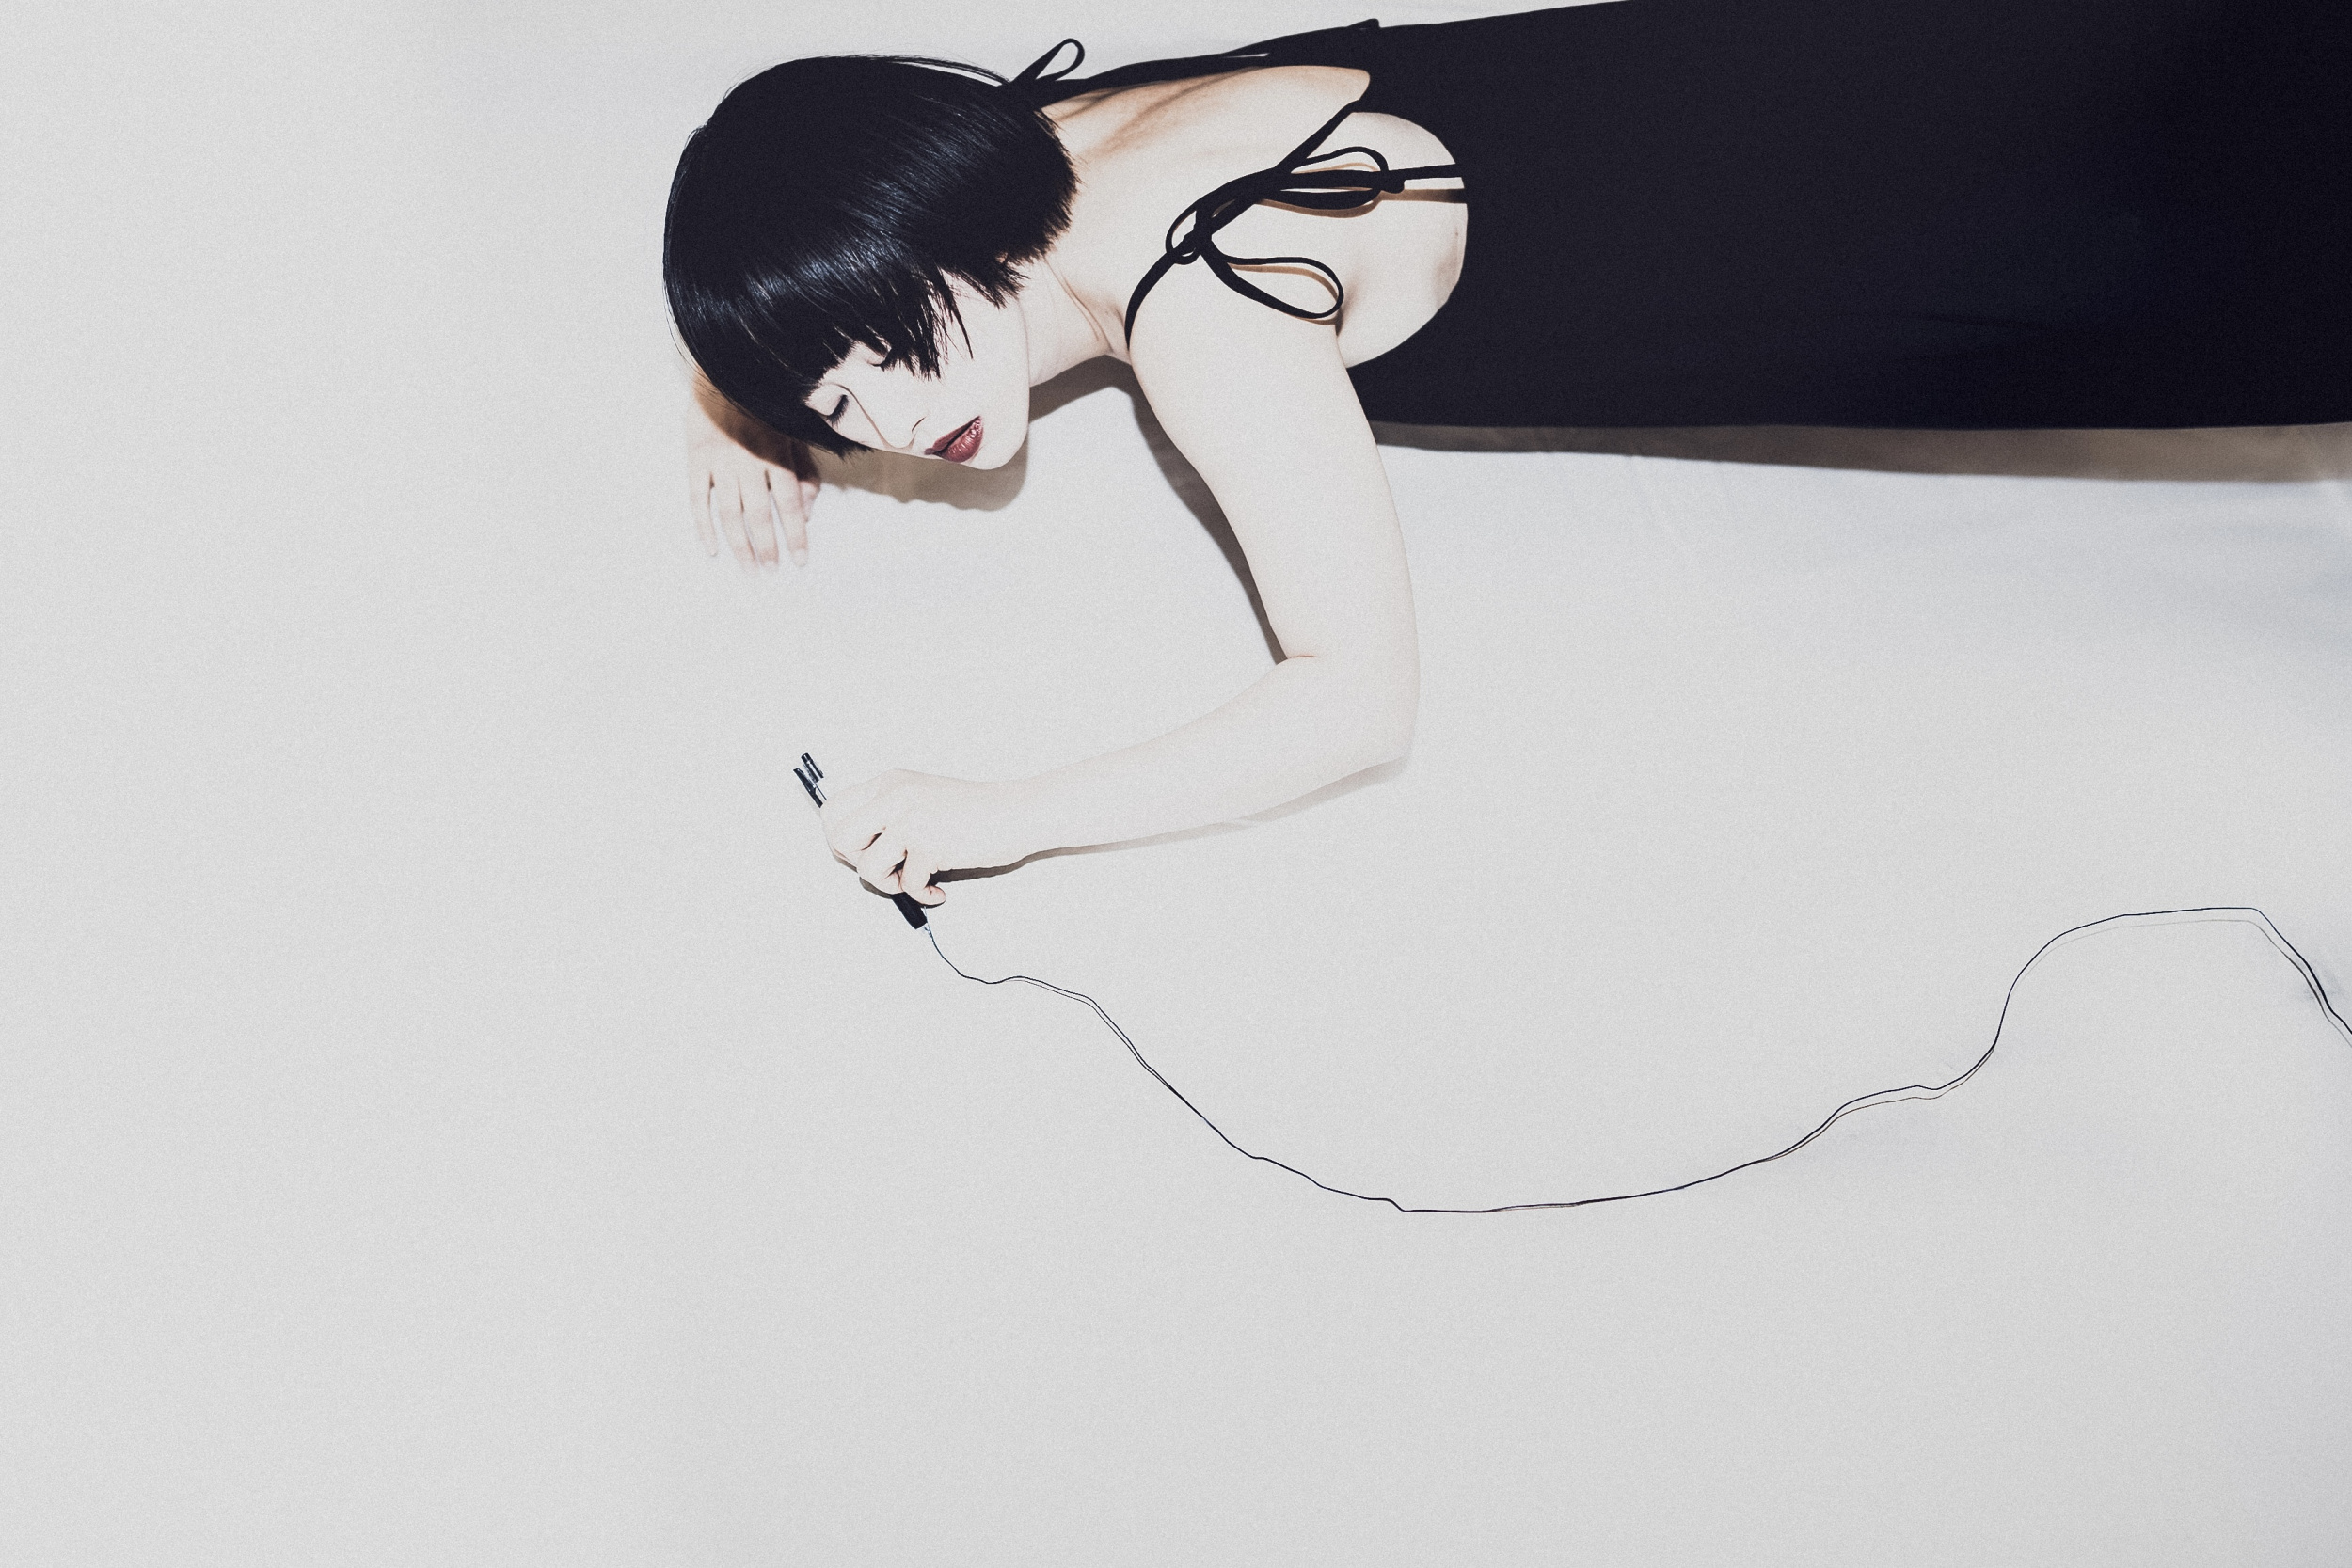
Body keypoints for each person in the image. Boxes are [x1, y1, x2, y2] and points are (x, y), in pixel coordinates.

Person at [664, 0, 2350, 910]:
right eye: (834, 409)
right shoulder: (1049, 135)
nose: (892, 431)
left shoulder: (1208, 308)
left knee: (2273, 245)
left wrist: (1002, 815)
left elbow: (1354, 703)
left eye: (882, 349)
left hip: (1942, 230)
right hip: (1835, 67)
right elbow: (837, 182)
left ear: (921, 223)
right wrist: (744, 365)